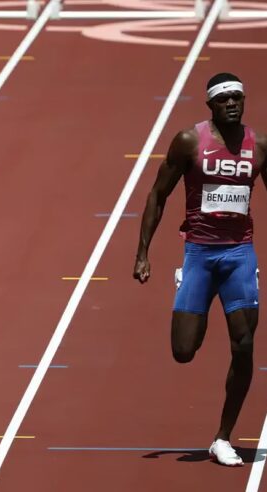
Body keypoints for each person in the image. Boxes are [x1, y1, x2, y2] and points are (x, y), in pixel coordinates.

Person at [134, 73, 267, 466]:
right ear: (210, 105)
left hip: (240, 254)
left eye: (238, 97)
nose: (232, 103)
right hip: (199, 255)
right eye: (224, 98)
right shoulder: (190, 141)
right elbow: (158, 194)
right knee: (183, 351)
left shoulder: (258, 146)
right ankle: (196, 294)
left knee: (244, 344)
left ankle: (222, 438)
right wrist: (142, 252)